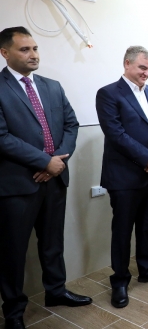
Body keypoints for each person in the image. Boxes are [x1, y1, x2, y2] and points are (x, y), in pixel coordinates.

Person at [0, 27, 90, 329]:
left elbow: (71, 125)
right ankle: (14, 312)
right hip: (17, 185)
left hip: (55, 179)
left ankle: (56, 291)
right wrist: (43, 161)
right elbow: (2, 137)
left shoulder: (52, 86)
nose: (33, 54)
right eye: (24, 49)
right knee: (13, 251)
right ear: (5, 53)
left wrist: (57, 162)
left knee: (52, 243)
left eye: (35, 48)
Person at [96, 46, 148, 309]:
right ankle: (119, 280)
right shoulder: (109, 93)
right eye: (143, 67)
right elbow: (115, 134)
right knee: (122, 230)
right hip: (125, 177)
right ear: (127, 64)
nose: (147, 73)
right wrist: (147, 159)